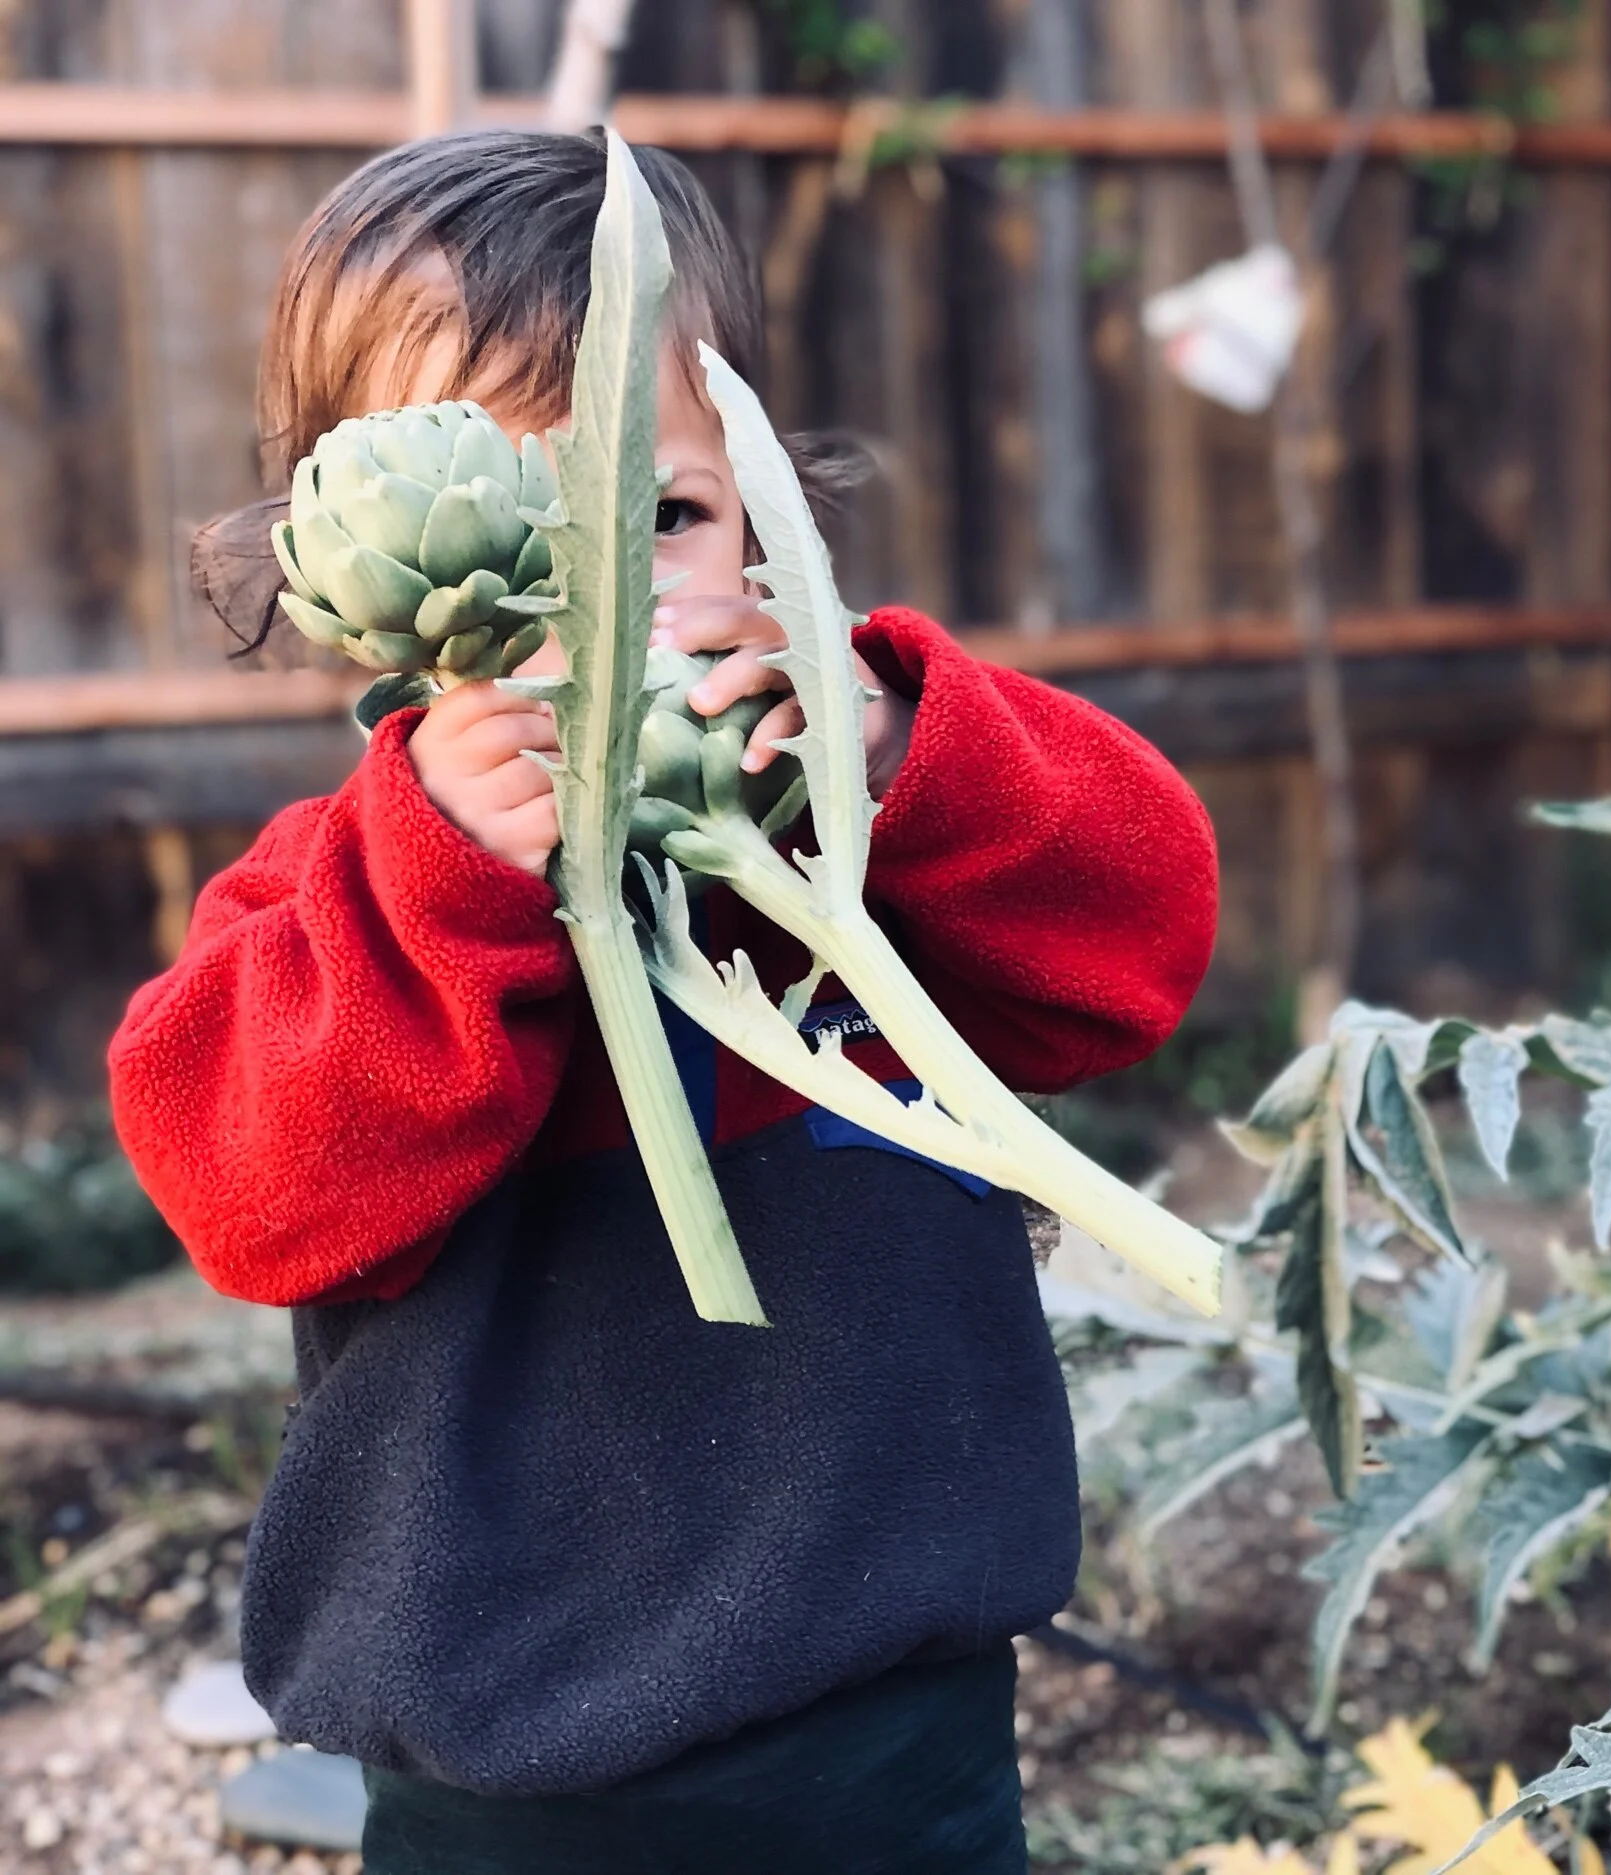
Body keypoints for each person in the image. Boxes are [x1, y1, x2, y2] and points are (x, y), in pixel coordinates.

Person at [106, 129, 1219, 1875]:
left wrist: (896, 747)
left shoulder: (857, 829)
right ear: (339, 561)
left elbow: (1140, 945)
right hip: (511, 1777)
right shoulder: (340, 893)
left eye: (664, 513)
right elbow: (247, 1193)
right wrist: (443, 884)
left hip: (892, 1727)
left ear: (768, 509)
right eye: (511, 530)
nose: (595, 589)